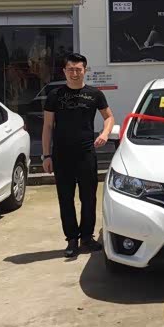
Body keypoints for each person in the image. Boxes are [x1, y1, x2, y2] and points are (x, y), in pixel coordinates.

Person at [42, 53, 115, 257]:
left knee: (88, 197)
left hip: (86, 153)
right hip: (61, 155)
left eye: (78, 69)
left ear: (85, 70)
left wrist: (105, 133)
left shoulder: (94, 94)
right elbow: (47, 126)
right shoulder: (55, 95)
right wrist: (46, 155)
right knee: (65, 198)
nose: (74, 73)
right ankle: (72, 239)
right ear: (64, 71)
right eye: (70, 69)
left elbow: (109, 117)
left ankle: (87, 237)